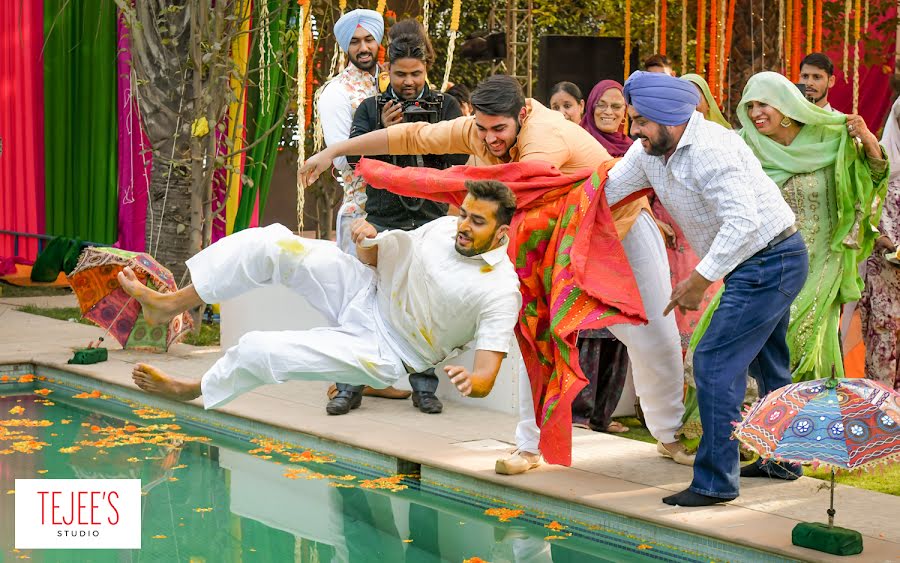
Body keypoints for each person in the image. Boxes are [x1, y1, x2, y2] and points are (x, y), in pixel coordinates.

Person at [299, 74, 690, 473]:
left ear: (521, 114)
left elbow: (516, 188)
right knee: (533, 330)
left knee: (651, 333)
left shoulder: (545, 137)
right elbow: (413, 136)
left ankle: (671, 434)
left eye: (499, 130)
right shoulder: (480, 130)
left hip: (620, 228)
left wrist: (418, 181)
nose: (490, 140)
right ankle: (528, 445)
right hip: (556, 237)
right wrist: (335, 150)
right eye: (482, 129)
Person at [122, 181, 522, 413]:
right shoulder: (444, 228)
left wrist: (475, 382)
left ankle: (192, 388)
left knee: (262, 349)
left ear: (502, 234)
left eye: (477, 221)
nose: (463, 225)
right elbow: (376, 260)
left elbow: (487, 373)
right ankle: (171, 304)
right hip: (367, 289)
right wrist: (366, 242)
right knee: (271, 244)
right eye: (465, 214)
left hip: (387, 349)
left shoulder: (500, 290)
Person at [606, 71, 808, 506]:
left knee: (714, 361)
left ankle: (715, 481)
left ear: (667, 117)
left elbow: (742, 222)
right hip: (757, 261)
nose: (633, 130)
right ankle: (783, 459)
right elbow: (605, 192)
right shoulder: (650, 152)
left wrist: (698, 280)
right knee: (768, 365)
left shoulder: (713, 149)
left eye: (640, 120)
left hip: (771, 258)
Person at [328, 26, 468, 416]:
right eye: (400, 74)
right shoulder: (370, 110)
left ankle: (423, 387)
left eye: (416, 74)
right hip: (382, 221)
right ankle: (350, 385)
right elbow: (354, 163)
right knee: (366, 303)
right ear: (387, 68)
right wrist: (383, 135)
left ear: (427, 70)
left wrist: (422, 138)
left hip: (429, 222)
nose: (408, 83)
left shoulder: (446, 107)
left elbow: (457, 164)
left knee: (422, 306)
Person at [317, 9, 384, 251]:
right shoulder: (336, 92)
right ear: (346, 46)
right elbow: (342, 159)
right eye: (355, 42)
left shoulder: (398, 81)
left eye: (369, 39)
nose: (363, 48)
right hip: (360, 214)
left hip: (405, 214)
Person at [859, 95, 900, 388]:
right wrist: (881, 238)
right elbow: (861, 212)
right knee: (884, 339)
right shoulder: (879, 165)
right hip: (885, 273)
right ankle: (883, 417)